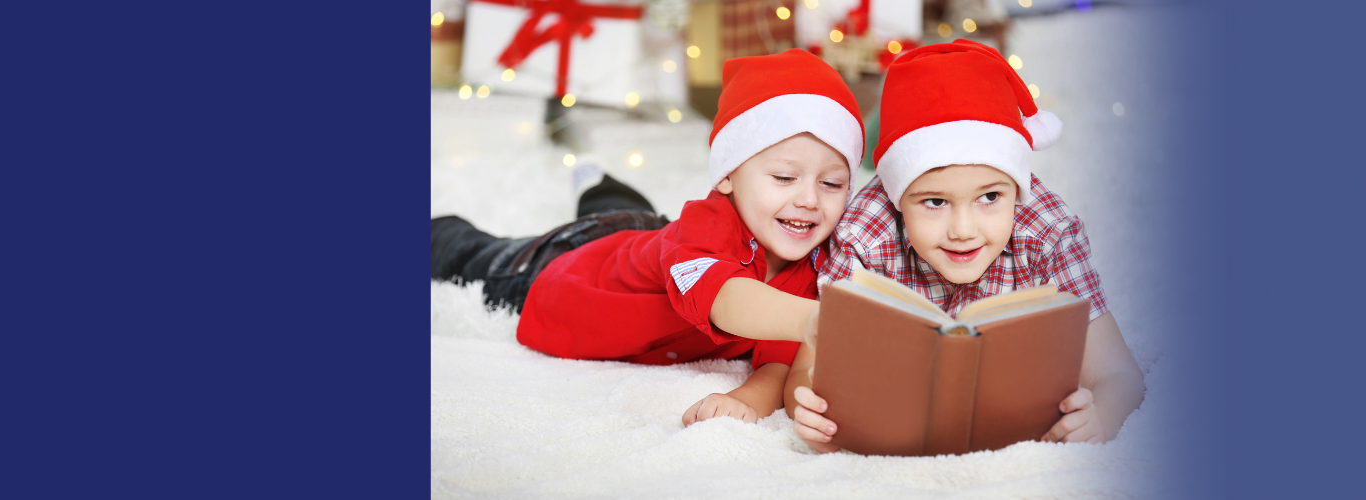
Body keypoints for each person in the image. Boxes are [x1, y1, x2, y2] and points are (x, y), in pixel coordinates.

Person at [432, 49, 867, 426]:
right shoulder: (708, 226)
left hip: (649, 235)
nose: (809, 199)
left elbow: (779, 363)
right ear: (727, 176)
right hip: (568, 264)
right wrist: (816, 318)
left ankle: (598, 181)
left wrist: (744, 402)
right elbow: (727, 299)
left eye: (832, 184)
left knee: (628, 215)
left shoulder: (816, 265)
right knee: (473, 254)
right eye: (785, 177)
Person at [783, 40, 1146, 452]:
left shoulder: (1049, 232)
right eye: (935, 202)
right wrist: (817, 417)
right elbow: (806, 371)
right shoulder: (864, 236)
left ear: (1015, 189)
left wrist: (1100, 418)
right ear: (898, 198)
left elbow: (1119, 375)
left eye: (990, 197)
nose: (963, 230)